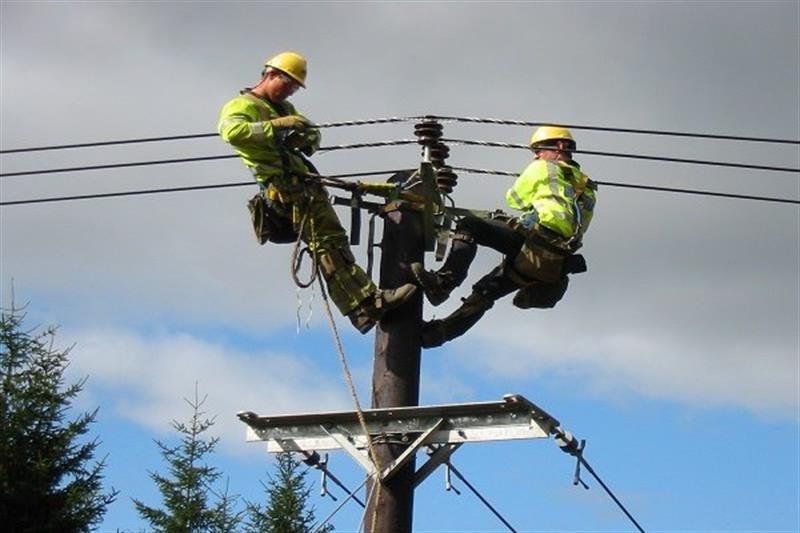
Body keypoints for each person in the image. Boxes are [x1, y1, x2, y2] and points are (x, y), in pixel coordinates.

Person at [217, 51, 416, 334]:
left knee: (333, 242)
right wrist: (277, 127)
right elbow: (232, 133)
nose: (291, 91)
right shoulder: (242, 105)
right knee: (327, 244)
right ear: (272, 75)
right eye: (289, 85)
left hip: (305, 186)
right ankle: (366, 303)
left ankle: (364, 306)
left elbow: (312, 133)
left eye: (296, 88)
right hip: (283, 191)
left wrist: (306, 137)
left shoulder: (286, 108)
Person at [412, 126, 597, 347]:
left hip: (536, 241)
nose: (536, 155)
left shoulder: (542, 168)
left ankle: (444, 283)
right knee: (485, 292)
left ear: (559, 146)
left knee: (469, 226)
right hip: (553, 261)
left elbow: (515, 199)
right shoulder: (587, 187)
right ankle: (439, 334)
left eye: (538, 150)